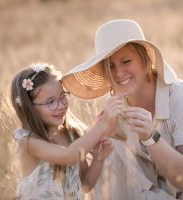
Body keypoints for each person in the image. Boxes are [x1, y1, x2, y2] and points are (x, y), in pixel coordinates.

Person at [62, 19, 183, 200]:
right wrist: (102, 130)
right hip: (168, 190)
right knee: (109, 149)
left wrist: (150, 137)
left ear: (146, 60)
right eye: (111, 66)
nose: (119, 73)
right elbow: (86, 178)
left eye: (126, 61)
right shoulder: (116, 108)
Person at [11, 62, 124, 199]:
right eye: (51, 102)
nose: (61, 105)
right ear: (29, 108)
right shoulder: (29, 141)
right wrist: (103, 124)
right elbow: (68, 157)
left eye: (63, 96)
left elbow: (85, 185)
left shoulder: (72, 134)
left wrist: (98, 160)